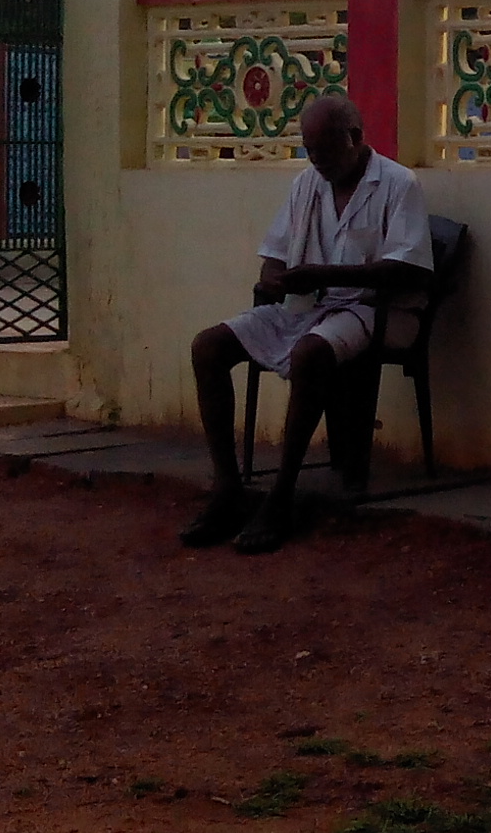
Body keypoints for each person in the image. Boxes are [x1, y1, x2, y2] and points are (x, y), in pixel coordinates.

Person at [182, 93, 433, 554]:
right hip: (307, 307)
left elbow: (411, 271)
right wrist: (277, 281)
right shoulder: (305, 184)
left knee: (310, 355)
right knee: (209, 346)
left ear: (355, 139)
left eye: (326, 148)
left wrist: (324, 275)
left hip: (375, 311)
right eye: (309, 149)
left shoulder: (399, 184)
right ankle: (227, 488)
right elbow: (273, 257)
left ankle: (281, 496)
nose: (317, 160)